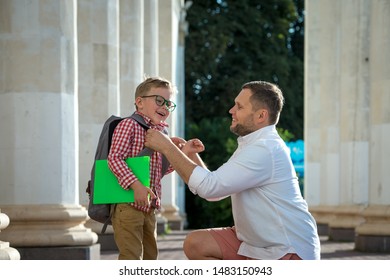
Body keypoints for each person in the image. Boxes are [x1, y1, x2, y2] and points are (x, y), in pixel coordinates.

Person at [144, 80, 321, 260]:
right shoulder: (251, 144)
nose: (231, 111)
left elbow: (209, 187)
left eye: (239, 106)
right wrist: (189, 155)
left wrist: (167, 147)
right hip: (256, 243)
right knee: (196, 243)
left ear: (261, 116)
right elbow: (215, 192)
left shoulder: (264, 149)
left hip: (287, 249)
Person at [107, 76, 178, 260]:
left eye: (168, 104)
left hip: (149, 207)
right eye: (159, 101)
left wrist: (180, 152)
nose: (164, 107)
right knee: (131, 256)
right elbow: (114, 159)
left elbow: (160, 170)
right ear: (139, 102)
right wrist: (136, 186)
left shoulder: (161, 133)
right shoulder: (128, 125)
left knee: (150, 256)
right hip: (127, 203)